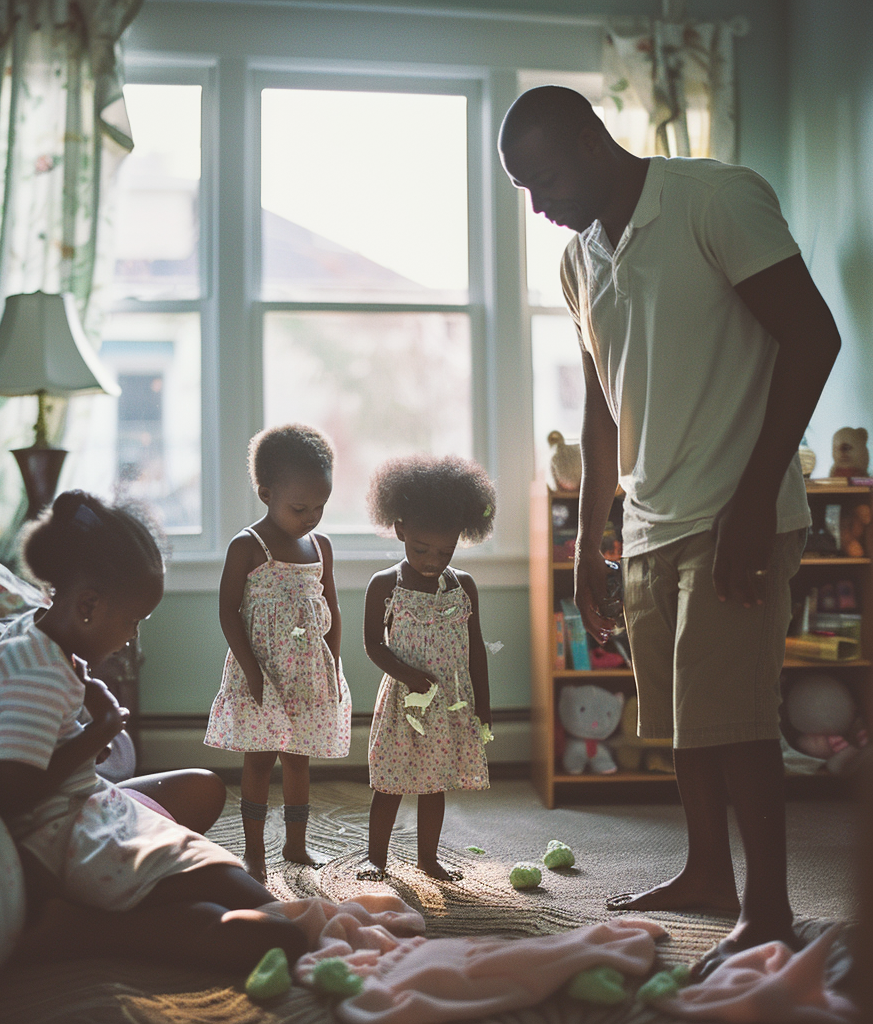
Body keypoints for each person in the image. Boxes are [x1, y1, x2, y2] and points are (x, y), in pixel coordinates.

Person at [498, 85, 841, 975]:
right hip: (649, 520)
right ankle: (705, 875)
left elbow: (814, 337)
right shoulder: (580, 261)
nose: (539, 206)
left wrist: (755, 502)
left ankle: (769, 908)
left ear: (590, 138)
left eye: (544, 178)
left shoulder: (716, 199)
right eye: (523, 190)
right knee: (687, 719)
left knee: (733, 718)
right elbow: (600, 407)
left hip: (738, 511)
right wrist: (589, 541)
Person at [0, 490, 307, 972]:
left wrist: (85, 715)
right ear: (88, 607)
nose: (131, 637)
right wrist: (99, 732)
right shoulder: (38, 674)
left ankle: (139, 901)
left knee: (204, 790)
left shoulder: (35, 635)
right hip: (53, 836)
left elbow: (38, 745)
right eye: (133, 621)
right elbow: (14, 793)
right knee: (275, 933)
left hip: (77, 804)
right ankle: (87, 931)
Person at [205, 423, 351, 883]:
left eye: (320, 507)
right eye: (299, 507)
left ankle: (296, 844)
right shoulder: (248, 546)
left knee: (298, 758)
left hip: (307, 675)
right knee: (259, 760)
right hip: (262, 674)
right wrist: (250, 671)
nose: (311, 517)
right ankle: (254, 853)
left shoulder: (320, 547)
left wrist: (334, 662)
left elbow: (332, 609)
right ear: (266, 493)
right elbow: (228, 613)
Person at [357, 454, 496, 882]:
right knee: (390, 784)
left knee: (434, 785)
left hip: (449, 704)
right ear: (400, 530)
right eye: (421, 549)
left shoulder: (462, 585)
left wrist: (483, 706)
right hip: (405, 704)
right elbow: (372, 645)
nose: (433, 559)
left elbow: (475, 649)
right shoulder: (385, 585)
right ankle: (375, 859)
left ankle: (427, 859)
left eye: (445, 550)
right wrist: (407, 675)